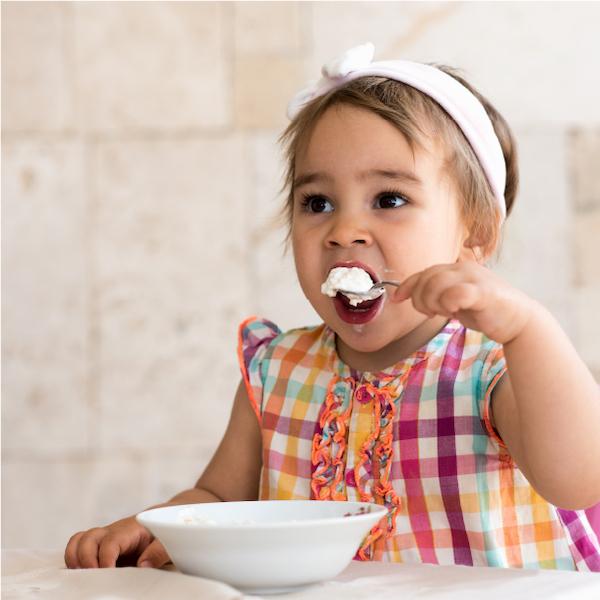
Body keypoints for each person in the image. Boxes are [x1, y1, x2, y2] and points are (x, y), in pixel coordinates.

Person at [65, 43, 600, 571]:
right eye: (317, 203)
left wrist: (529, 329)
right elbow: (218, 498)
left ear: (475, 235)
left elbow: (580, 480)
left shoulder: (492, 370)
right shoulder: (277, 371)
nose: (343, 231)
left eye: (389, 199)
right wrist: (158, 526)